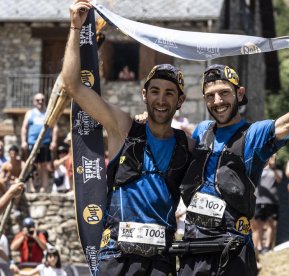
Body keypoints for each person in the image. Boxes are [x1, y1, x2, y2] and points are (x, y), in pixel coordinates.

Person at [179, 31, 289, 275]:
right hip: (193, 248)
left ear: (239, 94)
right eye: (210, 96)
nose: (217, 101)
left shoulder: (255, 133)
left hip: (232, 248)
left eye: (224, 92)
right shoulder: (201, 131)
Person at [61, 1, 193, 274]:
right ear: (144, 95)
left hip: (160, 259)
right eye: (154, 91)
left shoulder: (187, 144)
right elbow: (73, 85)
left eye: (169, 93)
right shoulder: (124, 127)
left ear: (180, 101)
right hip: (117, 257)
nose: (161, 99)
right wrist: (75, 27)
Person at [21, 93, 58, 193]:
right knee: (32, 165)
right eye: (38, 100)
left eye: (42, 100)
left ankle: (43, 187)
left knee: (44, 165)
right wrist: (23, 141)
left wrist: (54, 141)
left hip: (45, 142)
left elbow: (55, 128)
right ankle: (32, 188)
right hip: (32, 143)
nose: (40, 102)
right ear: (34, 102)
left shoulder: (49, 112)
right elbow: (24, 128)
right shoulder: (29, 113)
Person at [251, 154, 281, 255]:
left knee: (271, 224)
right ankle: (258, 247)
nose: (272, 158)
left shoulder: (276, 171)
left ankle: (267, 247)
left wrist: (272, 167)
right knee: (257, 225)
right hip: (258, 200)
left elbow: (279, 180)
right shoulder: (259, 168)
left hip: (272, 201)